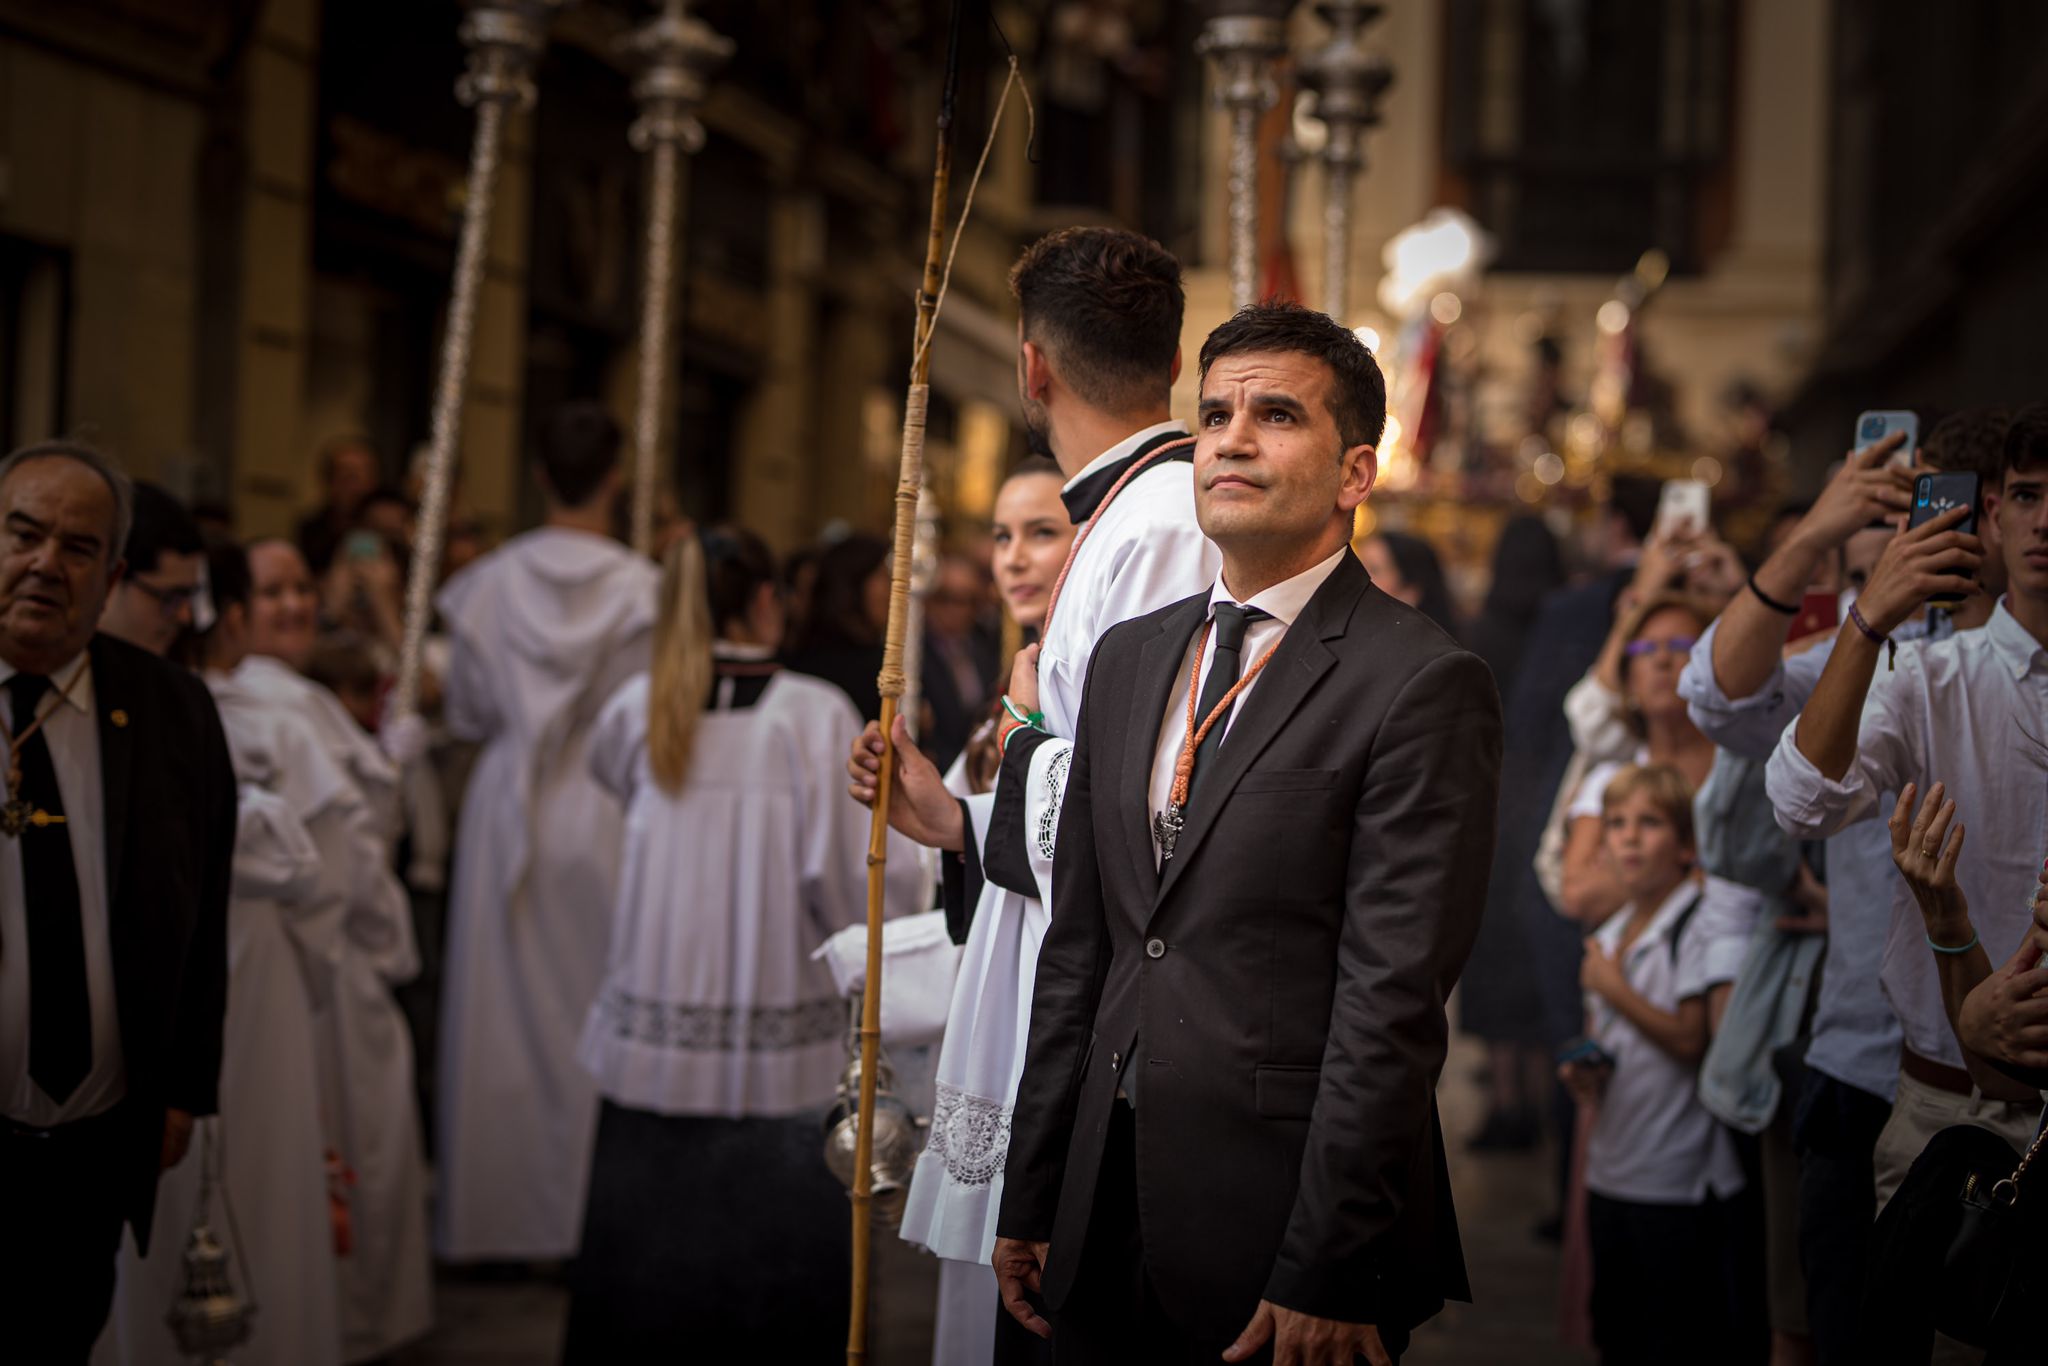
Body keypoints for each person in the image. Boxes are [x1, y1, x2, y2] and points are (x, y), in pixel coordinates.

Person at [991, 303, 1502, 1363]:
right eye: (1214, 412)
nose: (1228, 436)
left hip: (1280, 1220)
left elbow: (1390, 999)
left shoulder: (1415, 681)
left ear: (1354, 472)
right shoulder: (1130, 657)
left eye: (1275, 415)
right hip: (1102, 1197)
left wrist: (1328, 1257)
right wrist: (1031, 1188)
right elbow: (1079, 947)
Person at [850, 226, 1217, 1363]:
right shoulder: (1121, 515)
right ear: (1169, 359)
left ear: (1031, 369)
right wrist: (962, 815)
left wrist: (999, 768)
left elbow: (1141, 805)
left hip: (1102, 1000)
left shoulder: (1153, 524)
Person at [1678, 412, 2008, 1365]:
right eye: (1928, 506)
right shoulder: (1878, 656)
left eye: (1979, 507)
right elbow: (1721, 699)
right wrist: (1817, 533)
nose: (1951, 529)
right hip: (1873, 1059)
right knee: (1852, 1330)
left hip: (2011, 1077)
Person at [562, 527, 918, 1358]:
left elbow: (618, 809)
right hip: (775, 1041)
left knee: (646, 1293)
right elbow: (843, 882)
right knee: (770, 1302)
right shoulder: (809, 714)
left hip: (653, 1035)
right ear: (767, 601)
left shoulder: (640, 704)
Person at [1766, 405, 2048, 1225]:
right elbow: (1801, 799)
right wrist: (1869, 617)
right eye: (2027, 496)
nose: (2045, 522)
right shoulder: (1928, 677)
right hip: (1946, 1108)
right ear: (1992, 513)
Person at [0, 441, 235, 1362]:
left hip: (89, 1157)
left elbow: (204, 904)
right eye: (23, 534)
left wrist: (183, 1087)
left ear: (113, 578)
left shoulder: (173, 709)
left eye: (79, 548)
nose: (46, 564)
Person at [98, 542, 342, 1366]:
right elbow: (329, 871)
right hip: (224, 976)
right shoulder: (236, 713)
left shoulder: (205, 708)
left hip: (228, 984)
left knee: (228, 1181)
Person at [435, 401, 660, 1265]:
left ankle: (495, 1219)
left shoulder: (487, 584)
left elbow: (465, 708)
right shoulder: (642, 589)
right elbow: (642, 714)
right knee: (588, 1007)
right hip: (598, 804)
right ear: (615, 478)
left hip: (508, 803)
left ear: (536, 474)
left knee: (495, 1011)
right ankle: (579, 1217)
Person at [896, 457, 1075, 1365]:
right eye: (1002, 536)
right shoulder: (1006, 684)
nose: (1014, 558)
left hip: (1051, 1012)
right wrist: (942, 823)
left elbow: (1076, 852)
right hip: (992, 1003)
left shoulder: (1077, 679)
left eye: (1041, 531)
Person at [239, 538, 432, 1361]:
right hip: (318, 965)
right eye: (269, 592)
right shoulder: (270, 707)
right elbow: (341, 862)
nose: (291, 605)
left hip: (331, 962)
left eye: (299, 587)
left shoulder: (297, 699)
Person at [1563, 765, 1745, 1366]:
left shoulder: (1693, 922)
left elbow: (1692, 1039)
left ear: (1686, 844)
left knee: (1676, 1336)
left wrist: (1613, 989)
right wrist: (1587, 1073)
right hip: (1613, 1168)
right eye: (1615, 825)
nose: (1629, 838)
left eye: (1649, 823)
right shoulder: (1612, 931)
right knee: (1618, 1333)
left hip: (1678, 1178)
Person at [1458, 514, 1566, 1151]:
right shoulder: (1568, 623)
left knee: (1494, 958)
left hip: (1493, 806)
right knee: (1541, 951)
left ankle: (1505, 1103)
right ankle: (1544, 1098)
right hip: (1554, 803)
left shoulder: (1483, 631)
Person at [784, 532, 891, 721]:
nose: (893, 590)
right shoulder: (868, 668)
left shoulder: (802, 652)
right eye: (883, 576)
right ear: (854, 584)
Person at [96, 482, 206, 658]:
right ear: (111, 579)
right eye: (171, 598)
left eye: (189, 595)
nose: (185, 616)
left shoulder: (178, 683)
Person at [922, 553, 1002, 772]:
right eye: (946, 598)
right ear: (928, 600)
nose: (956, 610)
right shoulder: (915, 656)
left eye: (967, 601)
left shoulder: (984, 646)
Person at [296, 435, 382, 576]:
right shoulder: (313, 529)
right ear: (329, 481)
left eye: (362, 475)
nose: (355, 486)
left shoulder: (386, 525)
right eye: (347, 475)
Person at [1357, 530, 1457, 635]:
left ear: (1410, 590)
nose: (1360, 577)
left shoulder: (1428, 645)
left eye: (1375, 570)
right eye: (1359, 567)